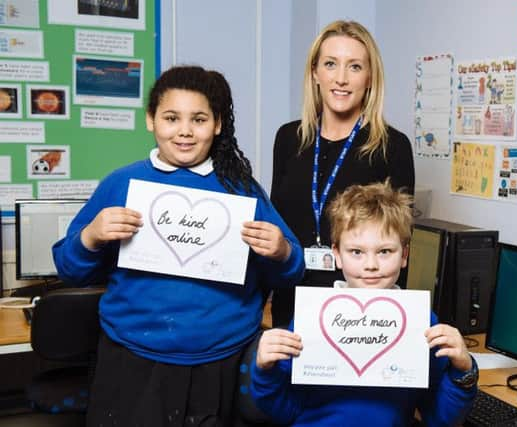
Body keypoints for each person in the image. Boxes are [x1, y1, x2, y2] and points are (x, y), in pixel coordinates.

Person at [52, 65, 305, 427]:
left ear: (217, 124)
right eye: (172, 118)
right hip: (132, 359)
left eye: (198, 119)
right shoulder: (121, 183)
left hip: (223, 360)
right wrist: (90, 236)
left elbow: (290, 270)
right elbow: (69, 268)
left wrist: (282, 251)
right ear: (151, 120)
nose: (185, 131)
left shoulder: (241, 189)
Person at [251, 181, 477, 426]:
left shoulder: (421, 324)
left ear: (404, 255)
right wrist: (265, 371)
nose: (371, 265)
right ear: (336, 255)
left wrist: (463, 371)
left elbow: (440, 418)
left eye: (385, 251)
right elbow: (285, 411)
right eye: (356, 252)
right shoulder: (312, 317)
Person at [270, 20, 415, 327]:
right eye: (331, 64)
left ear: (370, 77)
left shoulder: (393, 147)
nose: (341, 79)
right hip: (291, 303)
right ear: (315, 72)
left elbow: (400, 245)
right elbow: (277, 225)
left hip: (360, 314)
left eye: (354, 67)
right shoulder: (288, 138)